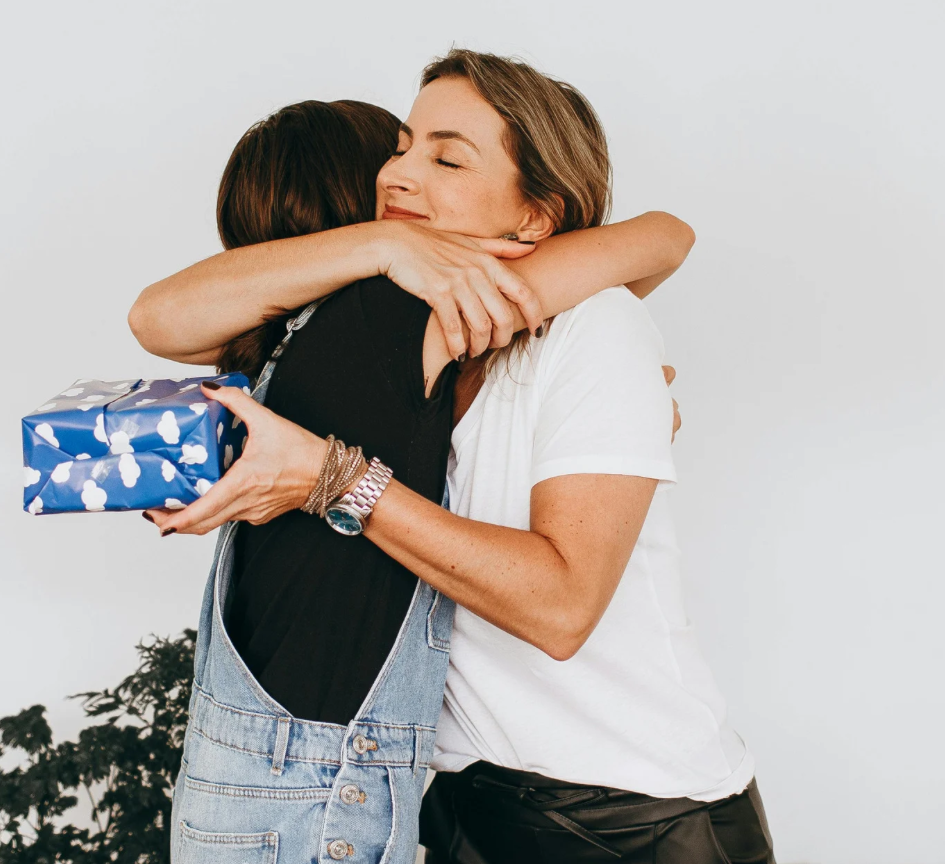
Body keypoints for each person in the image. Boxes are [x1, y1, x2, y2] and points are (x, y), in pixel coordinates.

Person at [139, 49, 772, 863]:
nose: (399, 174)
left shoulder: (588, 328)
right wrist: (382, 245)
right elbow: (162, 318)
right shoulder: (424, 338)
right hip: (466, 802)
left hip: (631, 814)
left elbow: (561, 609)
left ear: (536, 215)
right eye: (400, 148)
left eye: (447, 159)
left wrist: (337, 480)